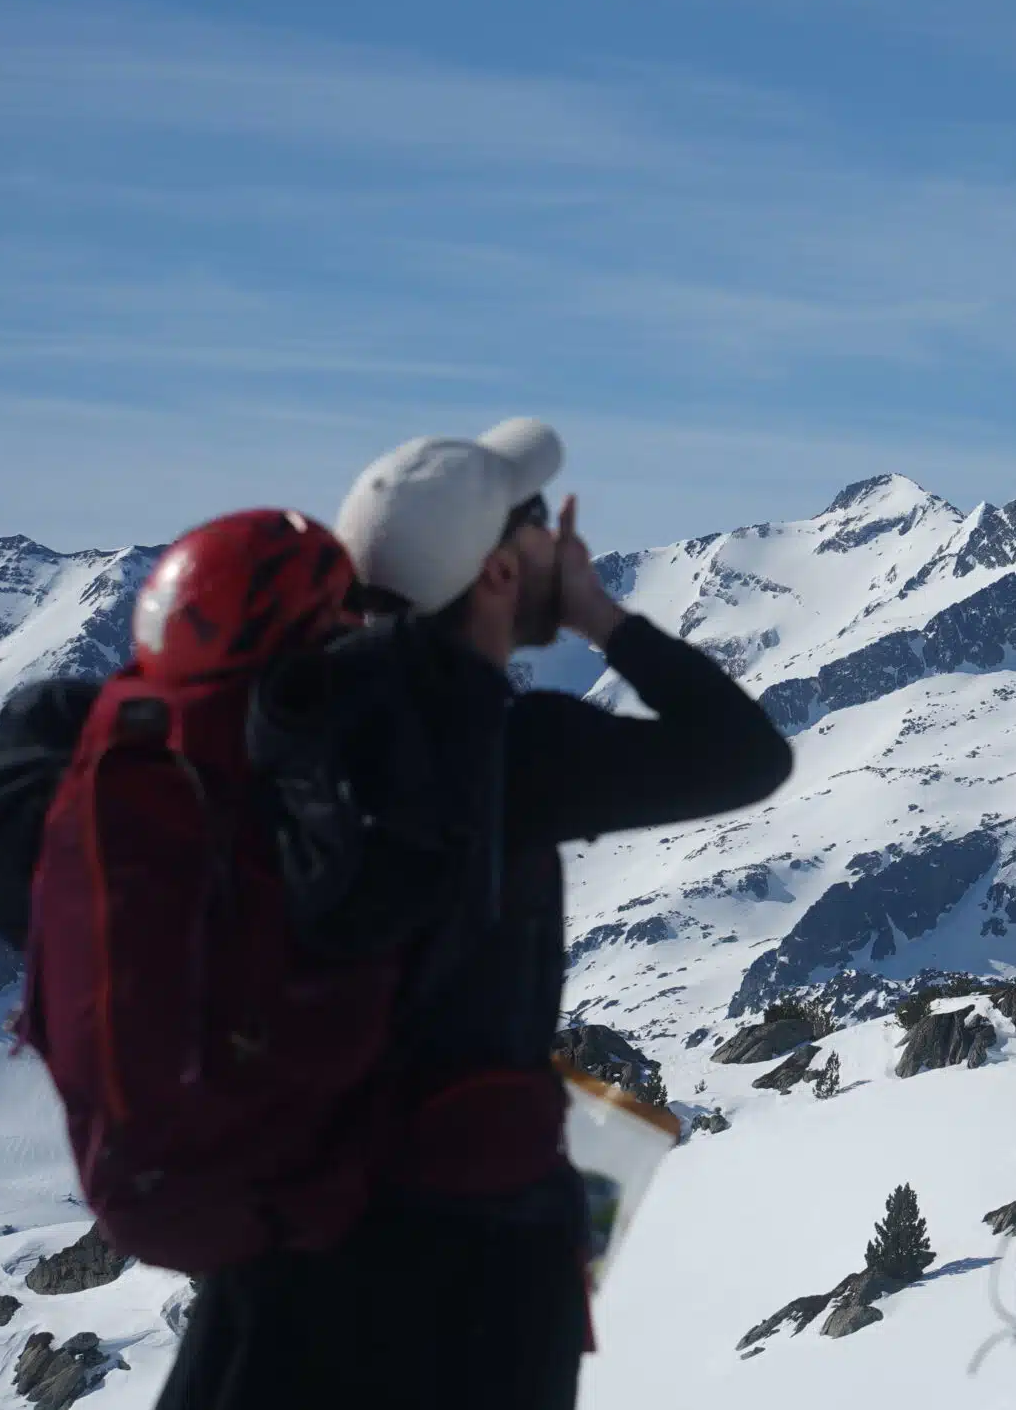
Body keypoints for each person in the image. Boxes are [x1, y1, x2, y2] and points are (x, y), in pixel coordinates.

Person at [157, 418, 792, 1410]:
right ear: (498, 571)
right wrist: (598, 614)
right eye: (536, 527)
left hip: (274, 1279)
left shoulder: (280, 723)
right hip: (469, 1283)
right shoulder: (507, 747)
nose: (557, 540)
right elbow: (747, 755)